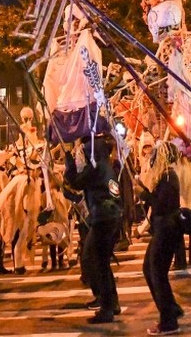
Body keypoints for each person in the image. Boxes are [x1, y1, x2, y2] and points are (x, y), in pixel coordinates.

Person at [65, 132, 124, 324]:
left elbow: (76, 181)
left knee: (94, 260)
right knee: (102, 262)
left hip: (103, 219)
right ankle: (112, 303)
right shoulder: (105, 165)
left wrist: (69, 163)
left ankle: (106, 307)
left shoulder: (97, 166)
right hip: (110, 216)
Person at [139, 140, 184, 336]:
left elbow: (161, 205)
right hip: (162, 228)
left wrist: (144, 194)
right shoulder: (164, 176)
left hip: (167, 229)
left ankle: (169, 321)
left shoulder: (168, 176)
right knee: (149, 269)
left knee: (157, 273)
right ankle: (171, 308)